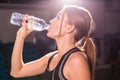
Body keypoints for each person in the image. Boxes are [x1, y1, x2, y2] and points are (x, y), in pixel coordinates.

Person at [10, 5, 96, 80]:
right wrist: (20, 36)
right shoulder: (51, 58)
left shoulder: (77, 60)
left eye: (58, 18)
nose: (51, 21)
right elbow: (16, 72)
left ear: (69, 28)